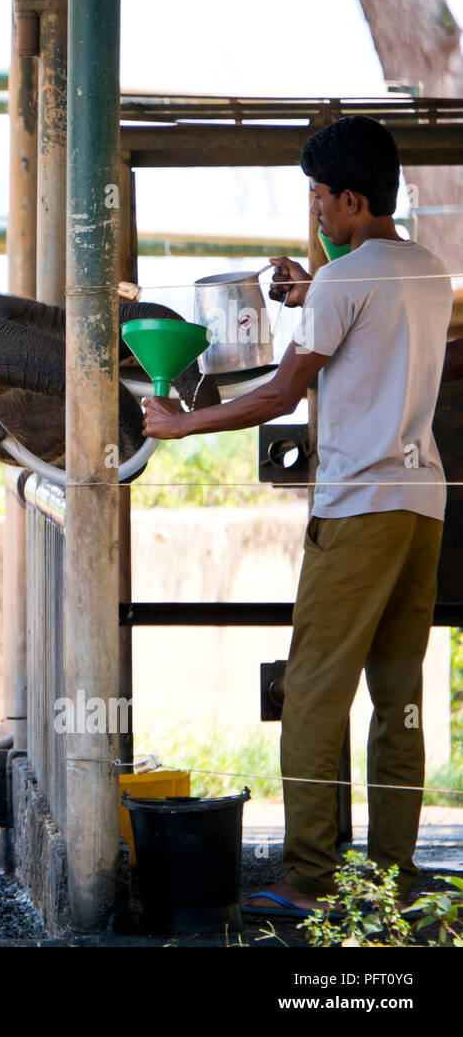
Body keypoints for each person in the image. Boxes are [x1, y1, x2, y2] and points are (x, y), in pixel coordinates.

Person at [142, 115, 456, 915]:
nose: (314, 211)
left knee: (315, 688)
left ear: (352, 198)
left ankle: (311, 877)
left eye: (320, 197)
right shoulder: (425, 270)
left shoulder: (348, 280)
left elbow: (281, 392)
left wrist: (178, 423)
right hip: (422, 504)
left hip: (357, 503)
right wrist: (309, 286)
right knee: (398, 694)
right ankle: (391, 873)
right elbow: (360, 302)